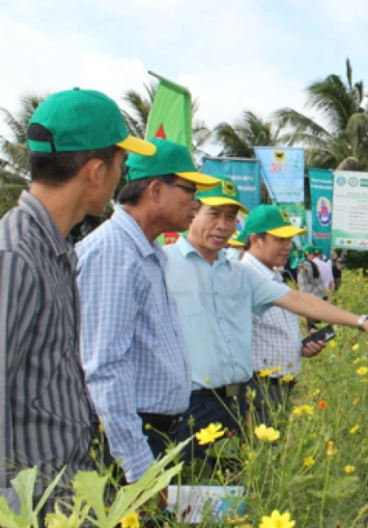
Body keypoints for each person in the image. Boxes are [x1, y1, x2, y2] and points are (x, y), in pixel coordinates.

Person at [166, 181, 368, 460]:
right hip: (188, 403)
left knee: (234, 482)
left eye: (230, 217)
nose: (223, 225)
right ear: (192, 212)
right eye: (213, 214)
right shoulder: (164, 264)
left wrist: (365, 323)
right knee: (188, 487)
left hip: (235, 401)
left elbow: (298, 301)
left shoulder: (237, 274)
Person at [0, 88, 155, 508]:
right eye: (122, 165)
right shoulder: (13, 256)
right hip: (31, 508)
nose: (123, 178)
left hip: (67, 495)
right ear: (96, 171)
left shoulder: (56, 250)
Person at [77, 139, 219, 483]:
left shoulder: (146, 252)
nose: (196, 203)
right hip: (130, 438)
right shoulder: (113, 253)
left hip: (154, 431)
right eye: (190, 190)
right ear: (155, 190)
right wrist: (139, 469)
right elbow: (105, 369)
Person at [240, 205, 324, 422]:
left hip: (279, 385)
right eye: (279, 240)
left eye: (289, 240)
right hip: (257, 386)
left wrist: (300, 348)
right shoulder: (242, 277)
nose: (287, 247)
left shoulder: (276, 276)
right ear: (255, 240)